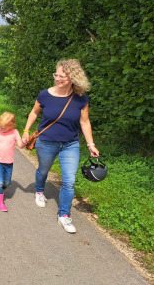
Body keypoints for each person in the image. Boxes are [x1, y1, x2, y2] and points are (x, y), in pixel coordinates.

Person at [22, 59, 99, 233]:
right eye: (56, 74)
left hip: (70, 145)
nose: (58, 78)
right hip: (46, 142)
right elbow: (34, 112)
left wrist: (90, 144)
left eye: (62, 76)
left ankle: (64, 215)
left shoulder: (81, 99)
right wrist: (26, 131)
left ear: (72, 77)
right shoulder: (45, 95)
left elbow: (85, 122)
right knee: (43, 170)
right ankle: (39, 190)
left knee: (69, 182)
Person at [0, 112, 26, 212]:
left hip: (9, 162)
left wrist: (24, 141)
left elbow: (20, 145)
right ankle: (0, 202)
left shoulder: (14, 132)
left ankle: (2, 188)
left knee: (7, 182)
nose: (0, 129)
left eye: (3, 128)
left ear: (11, 126)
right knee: (0, 182)